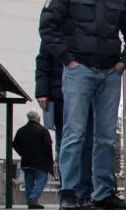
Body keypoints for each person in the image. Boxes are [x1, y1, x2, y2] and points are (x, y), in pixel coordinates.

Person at [39, 0, 126, 210]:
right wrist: (68, 60)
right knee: (74, 133)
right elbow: (48, 28)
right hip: (79, 70)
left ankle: (103, 193)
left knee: (106, 137)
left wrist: (124, 61)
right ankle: (69, 193)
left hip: (110, 72)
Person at [34, 46, 94, 201]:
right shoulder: (56, 34)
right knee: (67, 143)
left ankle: (81, 191)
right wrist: (42, 91)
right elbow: (43, 61)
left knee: (84, 144)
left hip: (76, 93)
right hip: (60, 96)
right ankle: (70, 190)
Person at [11, 109, 54, 209]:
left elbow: (15, 144)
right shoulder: (42, 130)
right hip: (40, 162)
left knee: (29, 181)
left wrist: (22, 154)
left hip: (26, 161)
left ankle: (30, 200)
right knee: (42, 180)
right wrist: (50, 161)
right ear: (38, 119)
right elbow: (48, 146)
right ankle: (33, 198)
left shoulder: (21, 130)